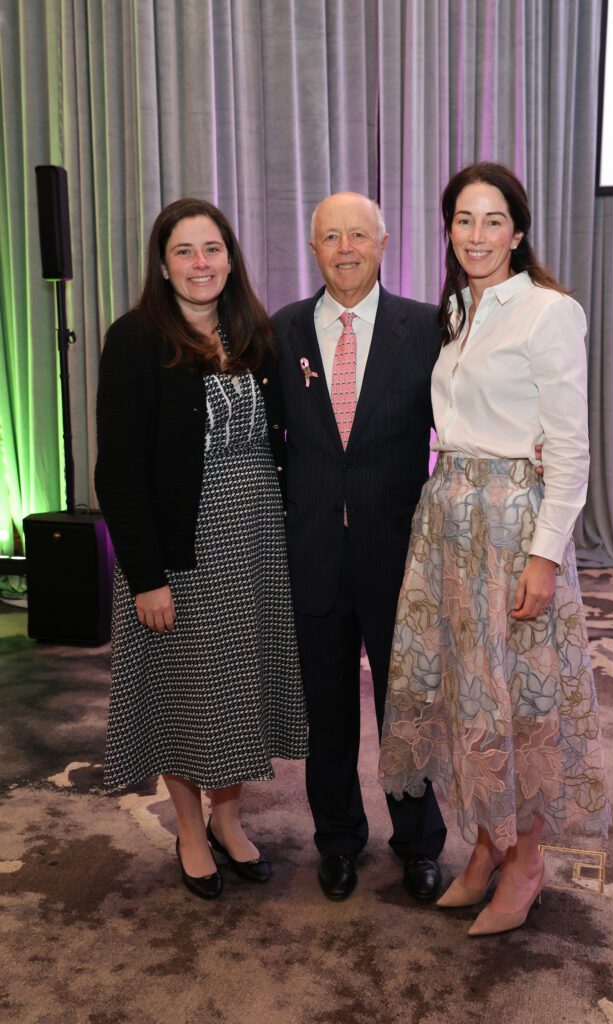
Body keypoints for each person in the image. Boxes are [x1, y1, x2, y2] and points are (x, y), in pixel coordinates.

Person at [379, 163, 610, 935]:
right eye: (462, 220)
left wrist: (544, 557)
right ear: (447, 230)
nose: (475, 235)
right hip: (449, 519)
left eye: (491, 220)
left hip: (513, 527)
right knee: (466, 693)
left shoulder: (548, 312)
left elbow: (570, 449)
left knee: (525, 699)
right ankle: (483, 846)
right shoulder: (455, 311)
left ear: (517, 231)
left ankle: (526, 862)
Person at [95, 198, 308, 900]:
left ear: (230, 257)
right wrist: (146, 576)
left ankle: (228, 817)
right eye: (184, 251)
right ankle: (190, 829)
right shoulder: (134, 339)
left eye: (211, 248)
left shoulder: (252, 333)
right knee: (186, 692)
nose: (199, 263)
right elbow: (118, 471)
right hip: (179, 550)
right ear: (163, 263)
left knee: (236, 687)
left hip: (253, 546)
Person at [272, 192, 447, 902]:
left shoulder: (427, 328)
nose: (343, 248)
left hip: (398, 552)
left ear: (382, 243)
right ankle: (339, 840)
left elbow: (459, 426)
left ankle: (418, 843)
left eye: (357, 235)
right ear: (312, 249)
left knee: (405, 708)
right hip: (312, 548)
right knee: (328, 709)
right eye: (328, 237)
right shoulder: (280, 332)